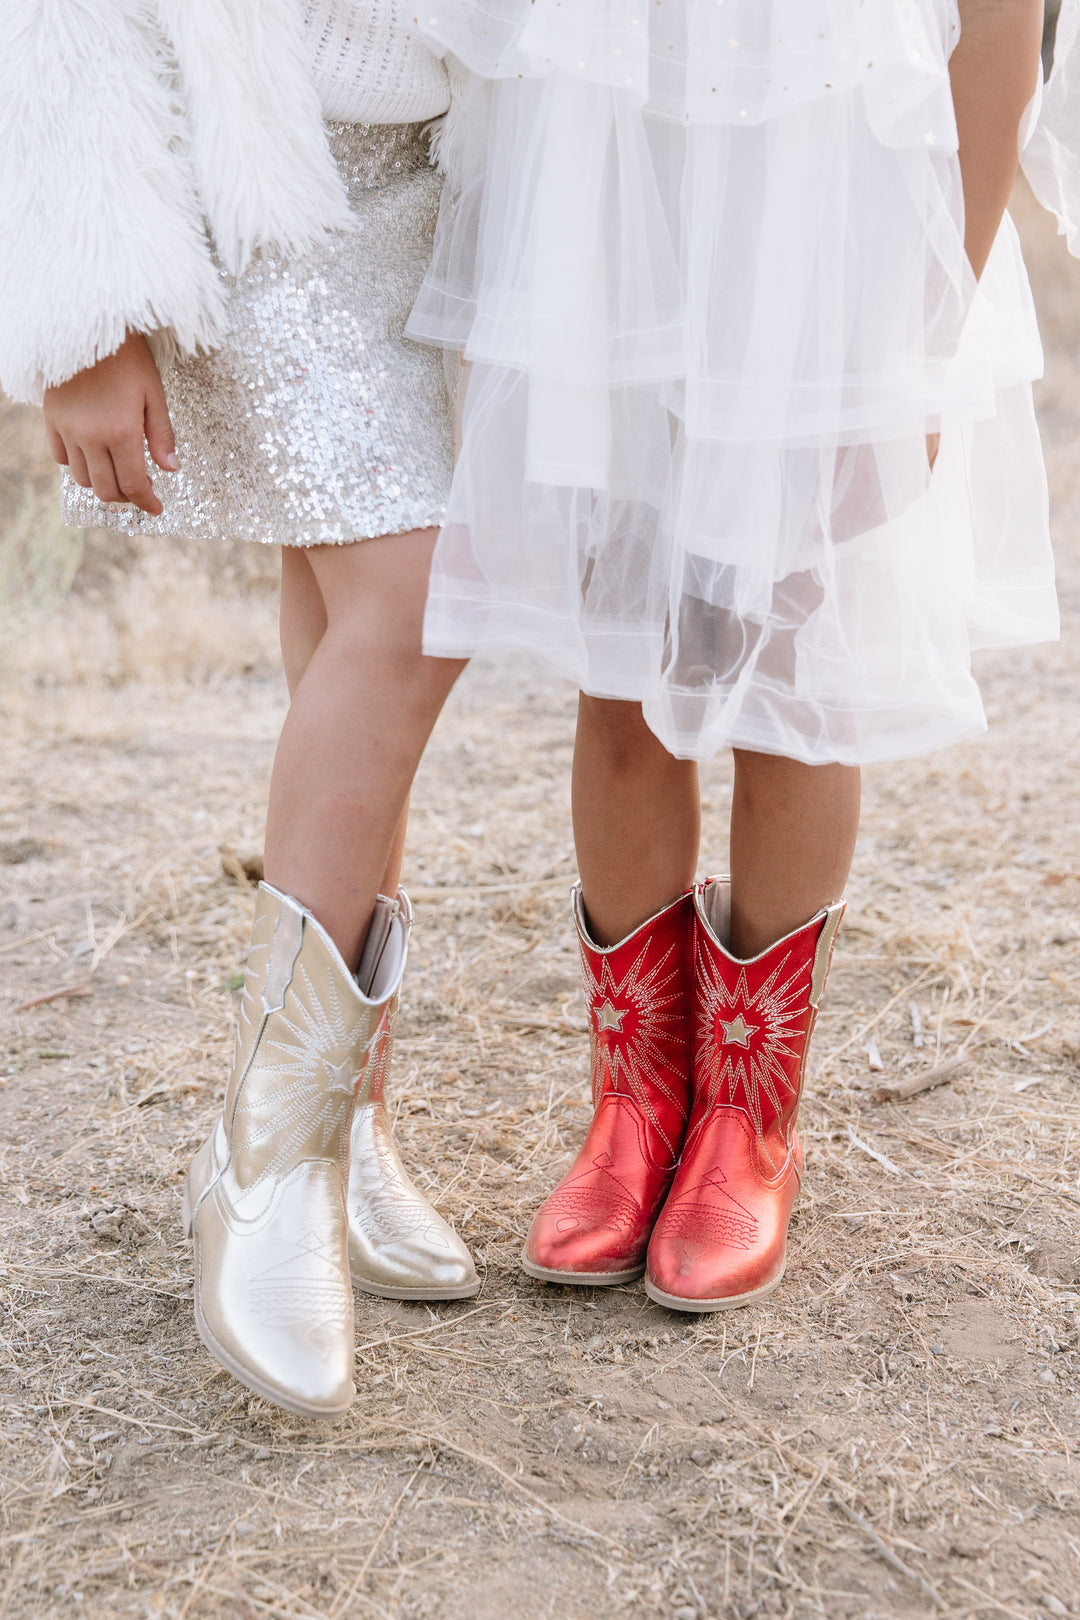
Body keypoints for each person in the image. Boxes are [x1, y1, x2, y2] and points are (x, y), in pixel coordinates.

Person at [407, 0, 1058, 1310]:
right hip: (620, 223)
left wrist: (929, 334)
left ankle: (746, 1128)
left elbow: (997, 21)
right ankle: (635, 1105)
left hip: (830, 239)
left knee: (791, 658)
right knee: (624, 658)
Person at [0, 0, 480, 1419]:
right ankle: (270, 1161)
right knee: (418, 599)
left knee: (344, 605)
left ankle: (351, 1122)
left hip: (434, 183)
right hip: (253, 193)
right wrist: (85, 310)